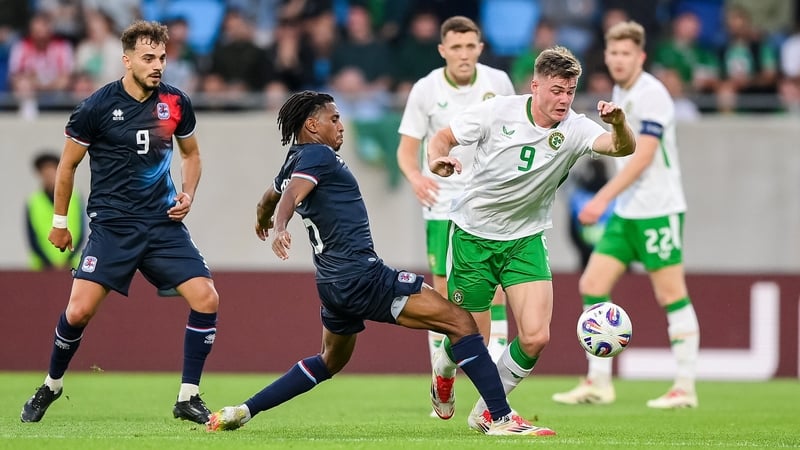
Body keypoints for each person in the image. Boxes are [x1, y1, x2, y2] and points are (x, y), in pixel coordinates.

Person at [205, 90, 554, 437]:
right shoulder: (317, 156)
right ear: (312, 124)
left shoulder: (294, 158)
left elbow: (272, 195)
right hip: (363, 276)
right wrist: (279, 226)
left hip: (332, 285)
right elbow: (293, 194)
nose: (342, 126)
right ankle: (500, 417)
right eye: (334, 119)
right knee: (462, 323)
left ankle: (244, 410)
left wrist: (263, 216)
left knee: (329, 360)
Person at [426, 45, 636, 433]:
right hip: (475, 237)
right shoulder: (497, 111)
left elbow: (621, 146)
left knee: (536, 337)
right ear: (535, 86)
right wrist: (438, 159)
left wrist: (619, 124)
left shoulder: (575, 127)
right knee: (471, 340)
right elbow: (442, 138)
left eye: (570, 91)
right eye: (556, 90)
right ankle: (443, 370)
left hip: (525, 240)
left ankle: (491, 412)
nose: (564, 99)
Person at [20, 20, 220, 425]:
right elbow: (67, 166)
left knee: (207, 298)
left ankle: (188, 396)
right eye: (148, 58)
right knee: (77, 314)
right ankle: (51, 385)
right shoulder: (96, 106)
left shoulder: (176, 103)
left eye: (162, 57)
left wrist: (188, 194)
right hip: (113, 226)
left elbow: (192, 155)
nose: (158, 65)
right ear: (126, 60)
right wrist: (60, 222)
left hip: (163, 225)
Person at [552, 21, 700, 409]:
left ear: (640, 57)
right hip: (628, 212)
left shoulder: (653, 94)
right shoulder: (621, 92)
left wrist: (602, 198)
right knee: (592, 284)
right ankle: (599, 382)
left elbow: (644, 156)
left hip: (658, 210)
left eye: (625, 54)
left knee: (671, 294)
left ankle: (685, 386)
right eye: (613, 53)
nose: (618, 60)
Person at [395, 15, 515, 415]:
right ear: (443, 50)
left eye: (470, 47)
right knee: (445, 298)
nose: (464, 55)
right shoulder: (426, 89)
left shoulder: (498, 83)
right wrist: (415, 177)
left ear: (480, 48)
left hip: (488, 203)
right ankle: (442, 377)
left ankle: (491, 392)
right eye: (456, 48)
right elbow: (407, 148)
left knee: (495, 291)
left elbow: (514, 135)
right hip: (443, 206)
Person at [25, 152, 85, 271]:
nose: (49, 175)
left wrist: (68, 259)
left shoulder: (75, 197)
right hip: (42, 267)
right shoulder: (33, 201)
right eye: (45, 171)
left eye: (52, 170)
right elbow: (31, 237)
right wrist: (48, 263)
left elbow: (82, 232)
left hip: (72, 264)